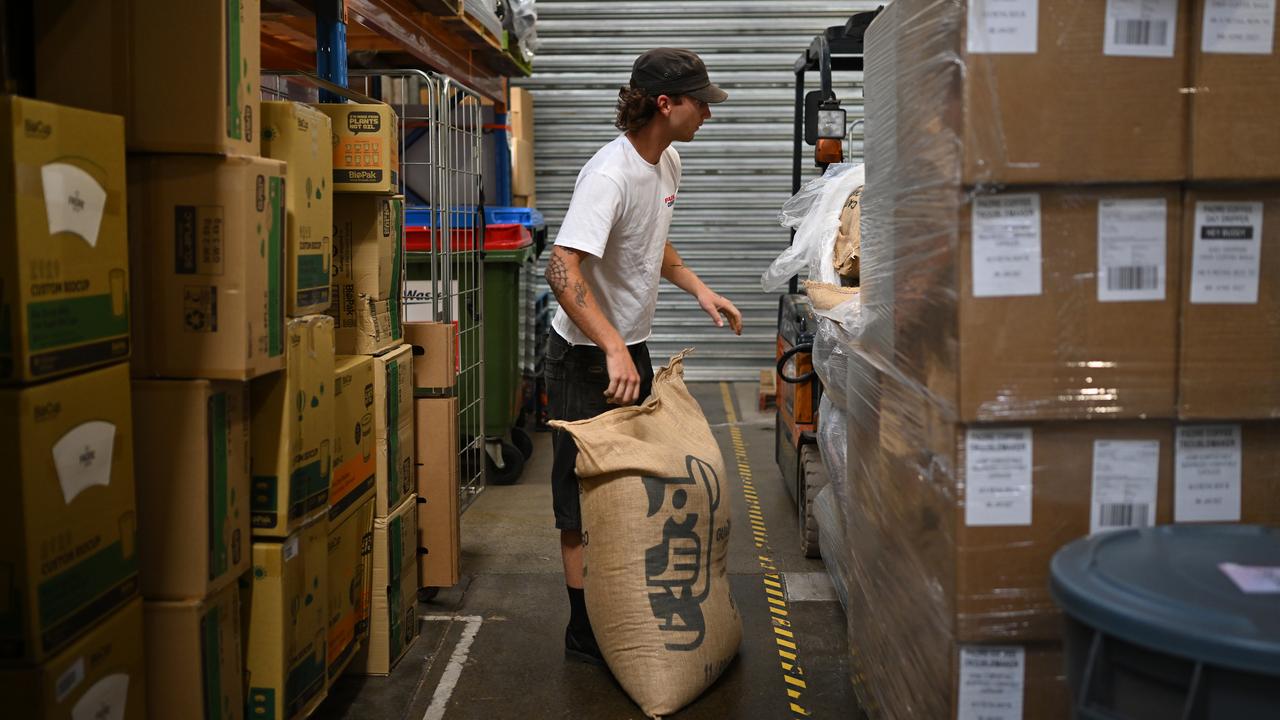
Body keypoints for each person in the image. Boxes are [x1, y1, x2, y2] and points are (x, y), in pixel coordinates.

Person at [542, 48, 743, 664]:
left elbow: (651, 241)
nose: (708, 111)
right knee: (578, 497)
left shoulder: (667, 163)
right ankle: (583, 632)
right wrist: (610, 347)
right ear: (665, 104)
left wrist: (700, 288)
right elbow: (561, 266)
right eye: (699, 101)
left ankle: (622, 600)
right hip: (585, 354)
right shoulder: (609, 173)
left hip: (628, 348)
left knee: (632, 484)